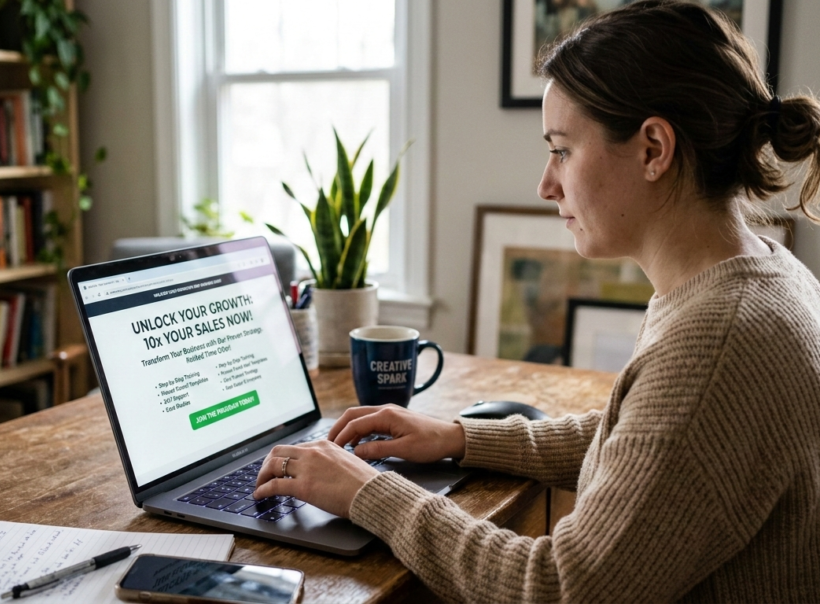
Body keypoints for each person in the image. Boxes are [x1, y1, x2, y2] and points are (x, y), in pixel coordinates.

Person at [253, 1, 820, 601]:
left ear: (654, 148)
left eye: (561, 150)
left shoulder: (716, 341)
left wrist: (369, 492)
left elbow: (557, 588)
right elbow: (649, 444)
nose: (546, 184)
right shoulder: (763, 274)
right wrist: (461, 436)